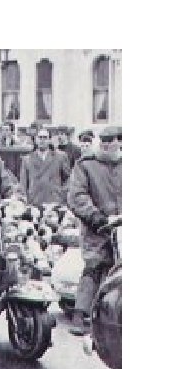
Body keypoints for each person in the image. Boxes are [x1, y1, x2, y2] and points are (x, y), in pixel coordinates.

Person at [66, 125, 122, 336]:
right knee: (94, 266)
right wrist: (95, 217)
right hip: (96, 228)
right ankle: (80, 315)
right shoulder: (86, 165)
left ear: (120, 142)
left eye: (112, 140)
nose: (107, 144)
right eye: (104, 140)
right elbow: (77, 195)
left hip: (123, 228)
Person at [19, 129, 72, 207]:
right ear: (36, 140)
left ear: (49, 140)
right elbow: (23, 184)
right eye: (40, 137)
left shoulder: (60, 157)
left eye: (45, 137)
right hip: (34, 203)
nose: (42, 140)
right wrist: (25, 201)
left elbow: (69, 179)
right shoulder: (27, 159)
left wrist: (62, 194)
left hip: (54, 203)